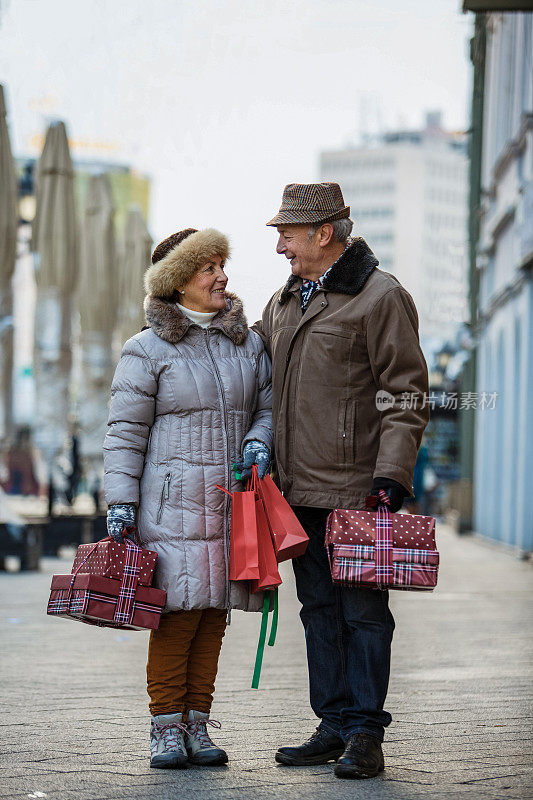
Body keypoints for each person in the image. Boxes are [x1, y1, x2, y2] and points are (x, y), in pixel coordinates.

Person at [253, 183, 429, 780]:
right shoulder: (282, 304)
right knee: (318, 610)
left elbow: (406, 393)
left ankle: (364, 734)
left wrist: (390, 479)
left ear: (323, 234)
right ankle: (331, 723)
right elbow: (253, 365)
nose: (279, 245)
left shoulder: (380, 297)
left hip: (357, 492)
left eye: (287, 233)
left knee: (363, 615)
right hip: (296, 492)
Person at [103, 228, 272, 769]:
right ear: (179, 282)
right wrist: (120, 502)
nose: (223, 276)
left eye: (224, 265)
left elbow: (266, 409)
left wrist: (257, 444)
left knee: (212, 615)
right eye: (210, 268)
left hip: (229, 508)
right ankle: (165, 729)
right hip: (169, 509)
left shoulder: (247, 343)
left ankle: (198, 723)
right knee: (176, 615)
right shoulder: (146, 350)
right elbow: (124, 434)